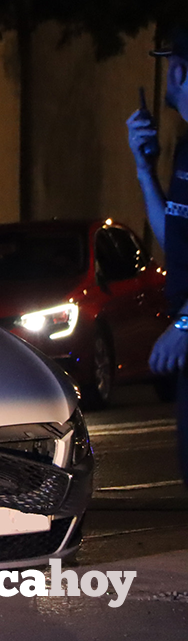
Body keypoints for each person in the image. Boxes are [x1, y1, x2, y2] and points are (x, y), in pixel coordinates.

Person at [127, 26, 188, 489]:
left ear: (181, 70)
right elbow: (177, 242)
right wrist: (145, 169)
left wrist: (186, 324)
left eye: (168, 63)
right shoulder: (185, 147)